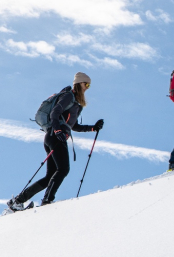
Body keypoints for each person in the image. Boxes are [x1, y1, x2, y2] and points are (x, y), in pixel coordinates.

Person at [7, 73, 103, 210]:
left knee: (50, 176)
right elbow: (55, 113)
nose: (88, 87)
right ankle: (47, 200)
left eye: (89, 85)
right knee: (63, 169)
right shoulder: (69, 96)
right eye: (86, 84)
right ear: (79, 83)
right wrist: (58, 130)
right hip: (55, 136)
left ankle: (18, 201)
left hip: (53, 136)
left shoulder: (76, 104)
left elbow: (73, 126)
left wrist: (93, 128)